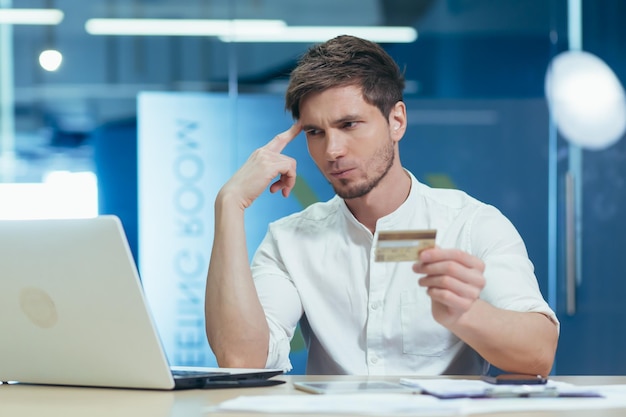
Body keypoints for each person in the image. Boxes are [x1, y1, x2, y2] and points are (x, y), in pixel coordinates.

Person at [205, 35, 559, 376]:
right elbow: (241, 358)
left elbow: (538, 354)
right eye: (315, 132)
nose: (332, 150)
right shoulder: (290, 240)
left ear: (397, 121)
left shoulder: (471, 225)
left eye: (349, 124)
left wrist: (467, 314)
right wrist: (230, 204)